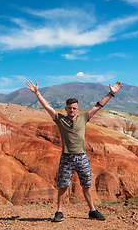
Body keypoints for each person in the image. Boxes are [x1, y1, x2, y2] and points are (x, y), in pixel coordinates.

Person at [25, 80, 123, 222]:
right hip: (66, 157)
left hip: (82, 157)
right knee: (63, 185)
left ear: (78, 109)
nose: (72, 110)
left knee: (86, 185)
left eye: (74, 108)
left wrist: (111, 94)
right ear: (66, 108)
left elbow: (98, 106)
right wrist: (37, 93)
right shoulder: (59, 119)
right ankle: (59, 212)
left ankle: (92, 210)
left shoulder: (84, 117)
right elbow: (47, 106)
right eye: (69, 108)